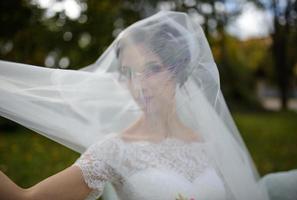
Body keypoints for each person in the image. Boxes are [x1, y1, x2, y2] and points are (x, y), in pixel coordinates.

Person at [0, 11, 271, 200]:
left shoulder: (210, 144)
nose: (139, 85)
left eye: (151, 69)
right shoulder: (114, 150)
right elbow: (26, 198)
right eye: (129, 73)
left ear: (178, 71)